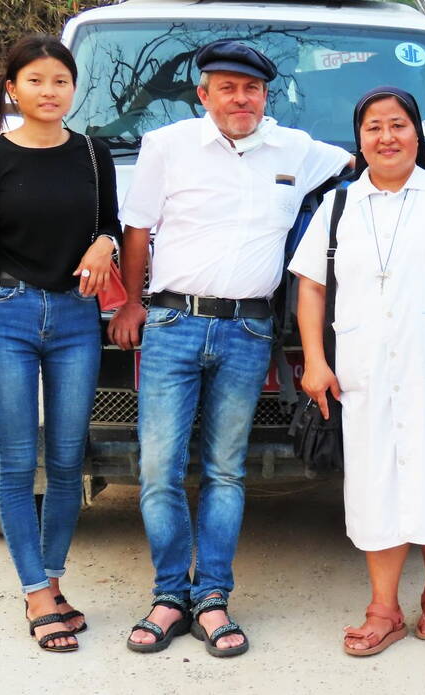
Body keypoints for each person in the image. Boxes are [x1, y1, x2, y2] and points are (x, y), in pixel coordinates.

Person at [109, 40, 352, 657]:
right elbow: (137, 228)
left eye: (252, 89)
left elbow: (365, 163)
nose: (240, 99)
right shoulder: (167, 148)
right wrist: (133, 302)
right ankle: (170, 595)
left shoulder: (296, 148)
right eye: (226, 88)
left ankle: (212, 598)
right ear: (204, 95)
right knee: (159, 470)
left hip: (248, 331)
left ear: (267, 95)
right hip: (171, 324)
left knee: (224, 470)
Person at [289, 86, 425, 657]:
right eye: (373, 128)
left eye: (398, 125)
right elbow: (311, 287)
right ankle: (383, 608)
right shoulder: (338, 206)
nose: (386, 138)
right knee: (374, 484)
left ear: (418, 133)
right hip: (364, 369)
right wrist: (314, 360)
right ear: (359, 140)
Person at [0, 34, 121, 653]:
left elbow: (111, 220)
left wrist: (105, 242)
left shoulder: (92, 154)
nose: (50, 92)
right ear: (14, 87)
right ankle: (34, 591)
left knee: (69, 459)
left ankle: (52, 580)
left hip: (78, 319)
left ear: (73, 89)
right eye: (37, 81)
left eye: (60, 81)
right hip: (8, 317)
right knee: (18, 462)